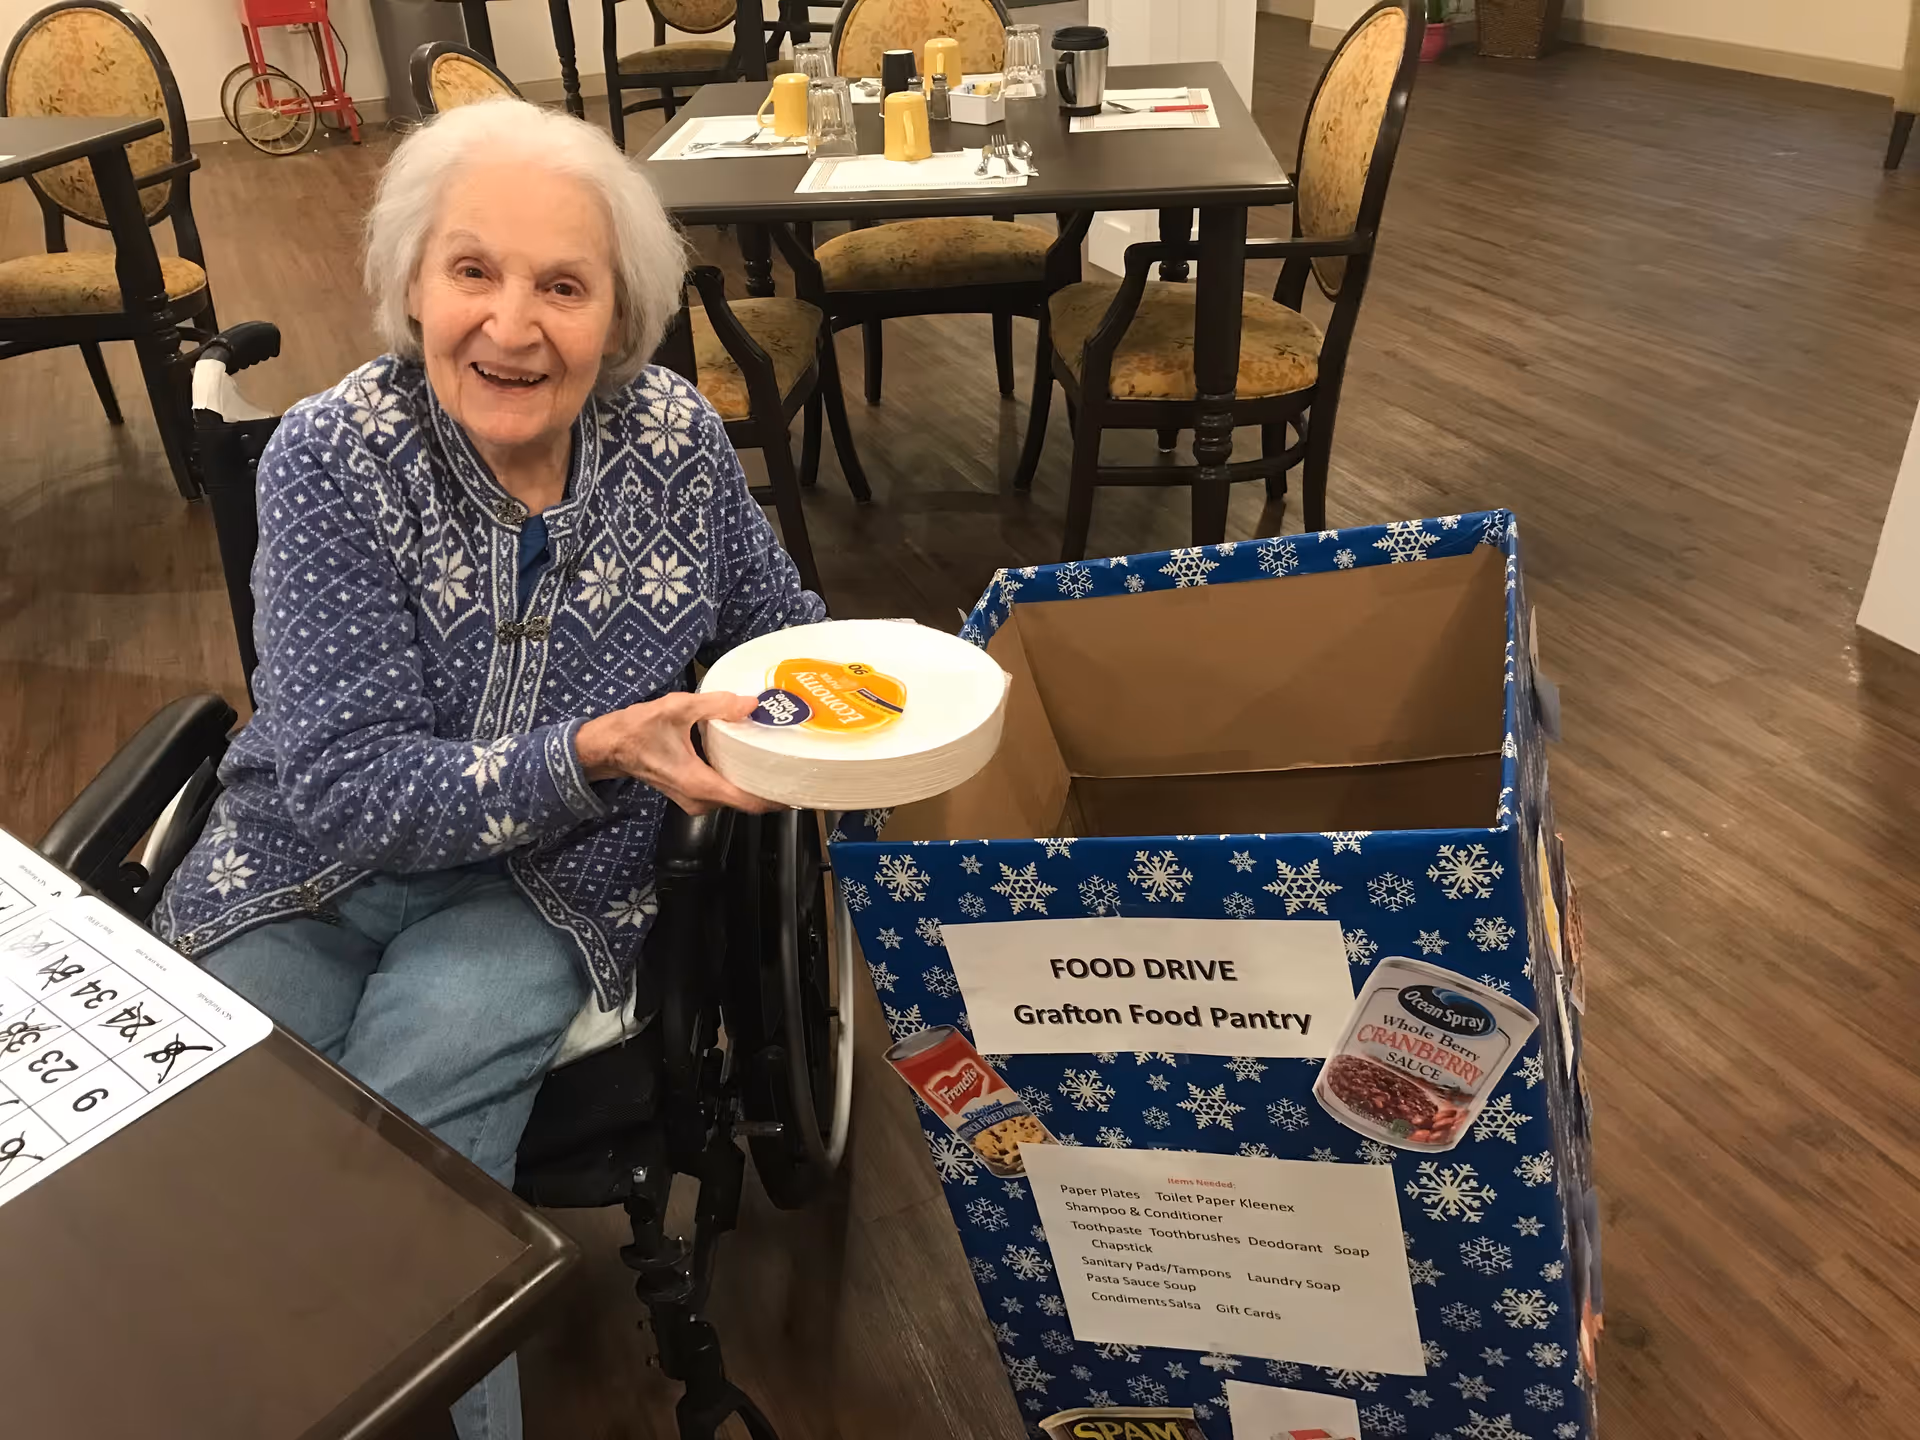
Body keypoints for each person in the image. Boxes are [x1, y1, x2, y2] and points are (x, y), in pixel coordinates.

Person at [152, 98, 818, 1440]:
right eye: (474, 271)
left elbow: (785, 633)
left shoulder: (675, 445)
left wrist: (818, 716)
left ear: (619, 313)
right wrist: (588, 748)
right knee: (222, 1125)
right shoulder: (332, 462)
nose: (512, 326)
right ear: (411, 281)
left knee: (412, 1147)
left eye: (563, 285)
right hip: (310, 862)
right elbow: (342, 781)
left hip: (543, 886)